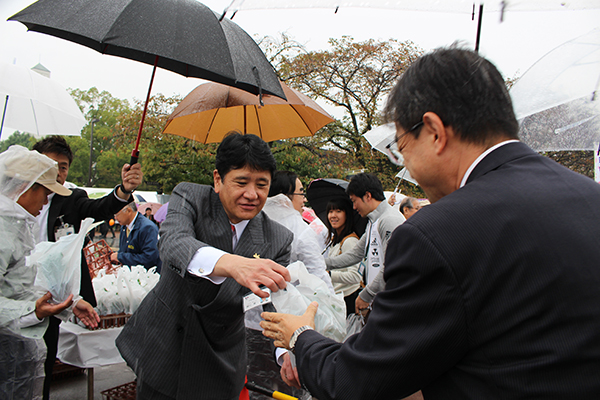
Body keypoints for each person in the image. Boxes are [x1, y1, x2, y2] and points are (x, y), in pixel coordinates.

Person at [260, 47, 600, 399]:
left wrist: (302, 336)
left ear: (435, 131)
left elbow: (357, 382)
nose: (407, 166)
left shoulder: (436, 235)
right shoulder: (590, 198)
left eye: (403, 147)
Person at [116, 132, 294, 400]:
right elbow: (174, 243)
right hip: (166, 344)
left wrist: (285, 350)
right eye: (241, 182)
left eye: (262, 185)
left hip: (220, 354)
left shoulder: (278, 238)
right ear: (218, 179)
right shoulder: (190, 197)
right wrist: (233, 264)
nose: (252, 194)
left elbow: (268, 305)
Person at [31, 135, 142, 399]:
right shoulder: (14, 199)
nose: (58, 172)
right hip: (16, 295)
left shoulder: (70, 199)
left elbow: (100, 207)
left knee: (42, 366)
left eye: (63, 166)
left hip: (52, 299)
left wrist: (123, 190)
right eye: (51, 164)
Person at [0, 146, 99, 399]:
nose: (46, 202)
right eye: (45, 193)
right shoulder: (3, 230)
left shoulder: (17, 225)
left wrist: (69, 302)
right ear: (25, 187)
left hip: (16, 351)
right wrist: (31, 311)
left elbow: (28, 280)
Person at [325, 173, 404, 314]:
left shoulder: (389, 220)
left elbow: (391, 265)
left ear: (368, 196)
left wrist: (366, 294)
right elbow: (355, 254)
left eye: (355, 201)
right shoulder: (373, 221)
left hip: (392, 300)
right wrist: (323, 263)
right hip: (379, 300)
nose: (354, 207)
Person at [324, 197, 361, 317]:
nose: (333, 215)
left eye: (338, 211)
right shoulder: (335, 240)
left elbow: (356, 276)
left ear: (347, 214)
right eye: (330, 211)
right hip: (338, 298)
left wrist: (329, 275)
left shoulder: (350, 241)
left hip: (348, 300)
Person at [110, 202, 162, 272]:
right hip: (130, 275)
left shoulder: (148, 228)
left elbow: (149, 258)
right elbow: (124, 251)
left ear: (129, 211)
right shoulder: (124, 227)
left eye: (117, 214)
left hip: (146, 277)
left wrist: (120, 257)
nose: (115, 218)